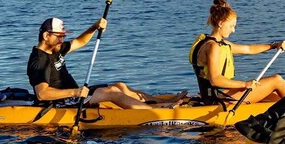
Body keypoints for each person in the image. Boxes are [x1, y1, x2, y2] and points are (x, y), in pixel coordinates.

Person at [28, 17, 185, 109]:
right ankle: (154, 112)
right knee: (111, 93)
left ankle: (165, 102)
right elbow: (42, 94)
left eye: (63, 36)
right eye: (59, 36)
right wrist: (75, 93)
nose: (62, 40)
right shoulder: (39, 61)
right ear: (46, 35)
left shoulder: (56, 48)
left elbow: (80, 41)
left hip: (75, 95)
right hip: (60, 103)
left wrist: (95, 26)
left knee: (120, 86)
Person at [190, 0, 285, 105]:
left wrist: (273, 45)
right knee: (276, 80)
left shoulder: (210, 42)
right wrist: (245, 84)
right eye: (231, 26)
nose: (233, 30)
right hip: (217, 100)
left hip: (217, 95)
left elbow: (248, 49)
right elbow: (215, 80)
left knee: (276, 96)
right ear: (221, 23)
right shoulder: (213, 46)